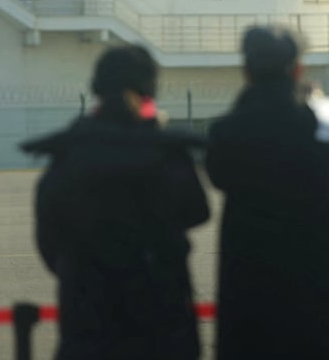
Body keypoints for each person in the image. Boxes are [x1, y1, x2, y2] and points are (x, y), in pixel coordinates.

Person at [25, 44, 210, 360]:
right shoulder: (165, 151)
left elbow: (49, 232)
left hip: (88, 308)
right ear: (148, 88)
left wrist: (77, 269)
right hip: (160, 308)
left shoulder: (69, 152)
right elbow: (197, 211)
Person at [206, 25, 329, 360]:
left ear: (246, 70)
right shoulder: (324, 122)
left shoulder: (226, 132)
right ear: (298, 69)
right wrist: (321, 102)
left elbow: (218, 173)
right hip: (323, 314)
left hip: (252, 319)